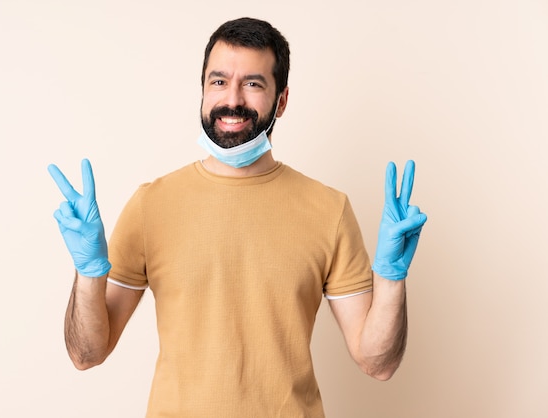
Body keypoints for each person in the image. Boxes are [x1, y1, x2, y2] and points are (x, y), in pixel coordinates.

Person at [48, 17, 427, 418]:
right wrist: (88, 272)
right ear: (202, 91)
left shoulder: (329, 209)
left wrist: (391, 280)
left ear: (281, 100)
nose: (232, 99)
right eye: (218, 81)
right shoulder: (151, 205)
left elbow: (378, 363)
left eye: (253, 83)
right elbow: (86, 354)